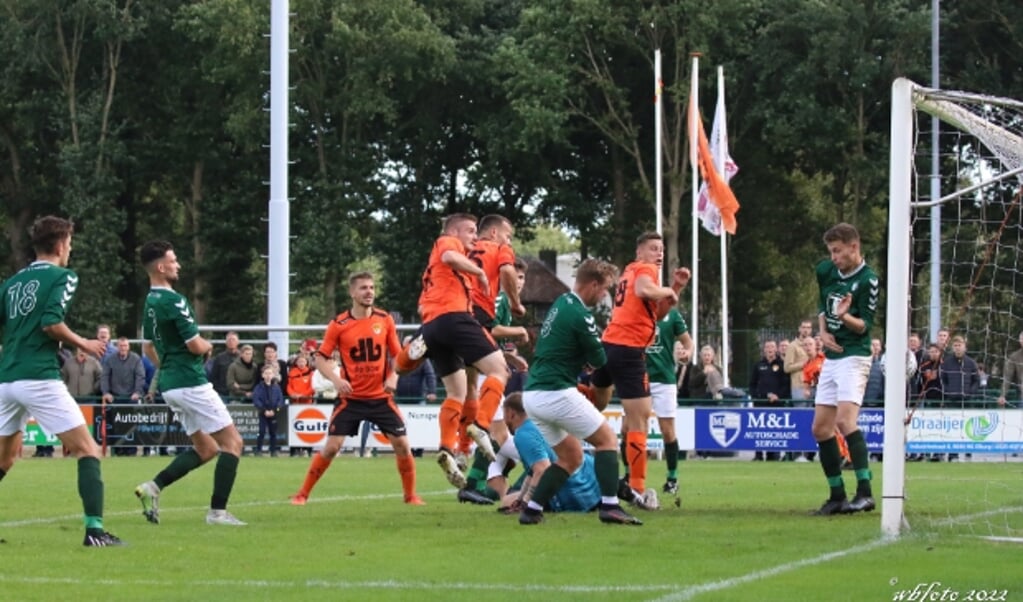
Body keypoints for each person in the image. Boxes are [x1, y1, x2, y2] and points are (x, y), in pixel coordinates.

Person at [0, 216, 122, 546]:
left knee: (5, 459)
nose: (70, 249)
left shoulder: (11, 283)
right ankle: (95, 532)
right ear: (58, 246)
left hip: (7, 379)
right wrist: (86, 343)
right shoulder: (63, 276)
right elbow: (51, 323)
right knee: (88, 450)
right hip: (39, 377)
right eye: (69, 243)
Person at [518, 258, 644, 525]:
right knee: (607, 441)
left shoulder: (561, 303)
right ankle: (610, 506)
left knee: (571, 457)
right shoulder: (580, 314)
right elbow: (599, 359)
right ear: (594, 284)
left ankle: (532, 509)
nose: (604, 295)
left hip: (533, 394)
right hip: (556, 392)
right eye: (604, 288)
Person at [134, 240, 246, 526]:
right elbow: (195, 345)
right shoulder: (173, 301)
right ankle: (217, 512)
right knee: (233, 443)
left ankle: (153, 487)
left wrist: (168, 367)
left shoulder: (149, 302)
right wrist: (208, 345)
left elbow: (147, 348)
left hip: (170, 385)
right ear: (161, 267)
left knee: (206, 449)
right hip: (191, 383)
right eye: (173, 260)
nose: (178, 265)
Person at [395, 213, 510, 488]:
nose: (473, 236)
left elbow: (429, 296)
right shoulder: (447, 243)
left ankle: (447, 448)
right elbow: (448, 256)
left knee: (457, 392)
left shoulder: (439, 272)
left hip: (432, 324)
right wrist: (480, 271)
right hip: (454, 318)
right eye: (469, 230)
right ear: (455, 232)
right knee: (499, 370)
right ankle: (480, 426)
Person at [290, 272, 423, 506]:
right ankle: (302, 494)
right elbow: (320, 359)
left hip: (381, 398)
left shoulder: (385, 319)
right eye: (363, 288)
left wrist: (394, 377)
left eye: (371, 287)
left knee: (402, 444)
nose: (369, 292)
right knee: (332, 447)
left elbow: (397, 356)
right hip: (351, 399)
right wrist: (335, 379)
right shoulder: (339, 324)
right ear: (352, 293)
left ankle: (410, 496)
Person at [591, 231, 688, 504]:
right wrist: (669, 290)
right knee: (640, 419)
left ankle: (556, 443)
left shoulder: (630, 271)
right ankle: (637, 487)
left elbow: (655, 313)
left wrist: (675, 289)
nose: (659, 253)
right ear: (640, 253)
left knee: (596, 403)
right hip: (628, 348)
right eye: (654, 249)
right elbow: (644, 290)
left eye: (661, 249)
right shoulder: (644, 270)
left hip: (608, 345)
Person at [810, 223, 880, 515]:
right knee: (820, 428)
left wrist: (845, 317)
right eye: (831, 252)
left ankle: (865, 492)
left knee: (844, 421)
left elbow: (865, 326)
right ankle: (837, 495)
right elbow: (822, 307)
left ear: (854, 246)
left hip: (855, 356)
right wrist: (823, 331)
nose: (834, 257)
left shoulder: (868, 280)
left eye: (838, 251)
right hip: (832, 357)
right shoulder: (826, 271)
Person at [457, 215, 525, 463]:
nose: (509, 241)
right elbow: (506, 269)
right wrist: (517, 304)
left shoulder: (463, 248)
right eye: (508, 236)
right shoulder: (498, 250)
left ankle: (461, 448)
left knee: (469, 388)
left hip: (454, 313)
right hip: (477, 315)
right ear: (495, 233)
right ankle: (479, 427)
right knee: (499, 373)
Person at [498, 393, 600, 514]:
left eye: (503, 413)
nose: (503, 419)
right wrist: (521, 499)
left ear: (510, 413)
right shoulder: (541, 422)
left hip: (575, 494)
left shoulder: (523, 434)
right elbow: (533, 472)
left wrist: (527, 503)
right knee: (512, 498)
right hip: (593, 482)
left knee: (505, 502)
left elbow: (542, 469)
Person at [639, 307, 693, 496]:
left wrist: (687, 352)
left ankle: (672, 478)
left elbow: (688, 342)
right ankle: (632, 479)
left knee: (667, 431)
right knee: (631, 429)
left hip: (664, 380)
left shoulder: (672, 314)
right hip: (639, 377)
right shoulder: (637, 310)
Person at [100, 336, 146, 456]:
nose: (123, 348)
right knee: (116, 426)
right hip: (115, 397)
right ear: (117, 347)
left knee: (130, 425)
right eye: (120, 346)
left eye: (125, 346)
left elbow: (140, 376)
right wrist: (106, 392)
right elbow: (104, 376)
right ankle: (117, 449)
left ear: (128, 347)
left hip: (131, 397)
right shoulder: (110, 359)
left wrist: (137, 392)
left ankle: (131, 450)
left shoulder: (136, 359)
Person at [749, 339, 789, 461]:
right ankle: (758, 455)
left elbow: (785, 384)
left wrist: (778, 396)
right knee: (759, 431)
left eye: (772, 347)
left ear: (776, 349)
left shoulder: (782, 365)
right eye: (767, 347)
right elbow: (752, 384)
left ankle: (774, 455)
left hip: (776, 403)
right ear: (764, 349)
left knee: (774, 431)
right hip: (760, 403)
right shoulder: (758, 365)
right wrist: (756, 396)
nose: (770, 349)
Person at [252, 364, 285, 457]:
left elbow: (280, 400)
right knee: (261, 431)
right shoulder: (259, 387)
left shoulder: (276, 387)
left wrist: (275, 410)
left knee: (273, 432)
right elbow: (256, 400)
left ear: (273, 375)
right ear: (262, 375)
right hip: (263, 413)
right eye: (266, 373)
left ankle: (273, 451)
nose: (268, 375)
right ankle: (258, 450)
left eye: (270, 373)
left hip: (274, 413)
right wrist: (264, 410)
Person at [286, 354, 316, 457]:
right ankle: (294, 449)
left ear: (306, 362)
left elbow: (312, 387)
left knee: (308, 427)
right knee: (295, 427)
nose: (301, 364)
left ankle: (307, 449)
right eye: (299, 362)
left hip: (307, 403)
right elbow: (289, 386)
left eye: (303, 361)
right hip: (295, 403)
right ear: (296, 363)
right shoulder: (292, 373)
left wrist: (304, 395)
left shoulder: (311, 373)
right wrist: (292, 394)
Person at [394, 335, 437, 404]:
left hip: (419, 399)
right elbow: (392, 373)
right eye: (406, 344)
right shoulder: (398, 358)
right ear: (403, 345)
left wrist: (432, 392)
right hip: (400, 399)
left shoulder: (423, 359)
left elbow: (430, 375)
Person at [784, 320, 813, 403]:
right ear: (799, 329)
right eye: (803, 327)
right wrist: (803, 364)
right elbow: (787, 368)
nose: (806, 330)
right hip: (799, 386)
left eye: (808, 328)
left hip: (813, 385)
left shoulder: (814, 344)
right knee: (801, 412)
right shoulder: (792, 346)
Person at [208, 331, 240, 398]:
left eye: (233, 339)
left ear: (238, 342)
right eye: (229, 340)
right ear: (226, 342)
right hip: (222, 394)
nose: (231, 342)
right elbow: (213, 377)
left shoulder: (242, 357)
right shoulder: (219, 358)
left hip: (239, 393)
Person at [997, 331, 1023, 407]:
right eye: (1021, 339)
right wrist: (1002, 395)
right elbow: (1007, 377)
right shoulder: (1014, 357)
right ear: (1019, 341)